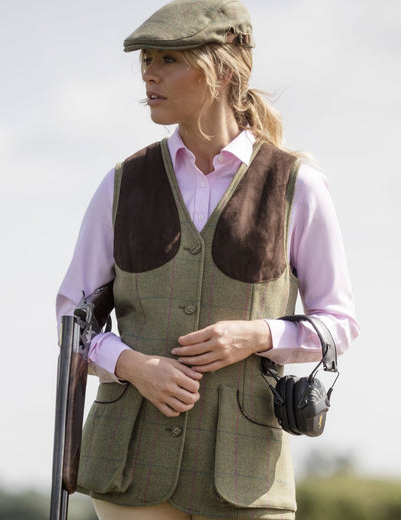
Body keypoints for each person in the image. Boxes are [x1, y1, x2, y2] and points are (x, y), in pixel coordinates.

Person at [56, 0, 360, 518]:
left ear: (221, 69)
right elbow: (72, 317)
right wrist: (132, 365)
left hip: (245, 470)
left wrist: (260, 335)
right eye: (146, 60)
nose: (148, 74)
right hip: (127, 463)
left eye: (167, 60)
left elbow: (340, 323)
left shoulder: (297, 186)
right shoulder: (122, 183)